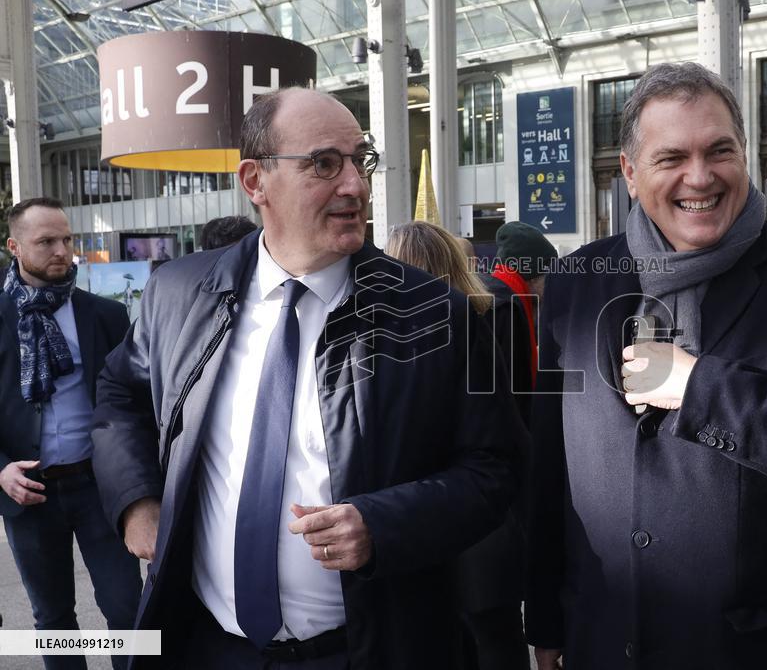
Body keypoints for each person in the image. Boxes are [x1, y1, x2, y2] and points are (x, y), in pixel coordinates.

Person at [90, 88, 521, 669]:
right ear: (255, 181)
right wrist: (136, 499)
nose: (355, 185)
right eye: (324, 163)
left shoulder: (434, 314)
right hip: (210, 647)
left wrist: (384, 525)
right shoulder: (180, 294)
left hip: (367, 650)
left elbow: (495, 468)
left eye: (361, 161)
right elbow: (120, 392)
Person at [525, 62, 767, 670]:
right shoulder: (576, 282)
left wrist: (698, 387)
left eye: (719, 151)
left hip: (751, 648)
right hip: (604, 638)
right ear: (629, 172)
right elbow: (551, 467)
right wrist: (547, 619)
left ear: (744, 155)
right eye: (671, 157)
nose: (700, 177)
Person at [0, 197, 142, 670]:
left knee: (128, 610)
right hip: (29, 491)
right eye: (46, 242)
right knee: (53, 617)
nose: (62, 251)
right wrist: (1, 470)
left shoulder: (105, 315)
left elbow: (133, 402)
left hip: (100, 485)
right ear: (15, 247)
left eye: (66, 239)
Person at [386, 221, 531, 670]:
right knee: (496, 638)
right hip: (491, 507)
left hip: (418, 510)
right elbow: (521, 408)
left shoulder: (389, 330)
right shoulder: (498, 309)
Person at [490, 221, 557, 385]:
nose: (552, 283)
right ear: (532, 276)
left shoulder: (500, 297)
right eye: (549, 275)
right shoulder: (506, 310)